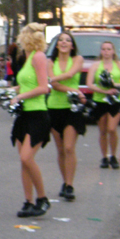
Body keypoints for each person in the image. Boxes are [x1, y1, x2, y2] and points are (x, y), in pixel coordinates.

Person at [10, 23, 51, 218]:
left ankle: (42, 198)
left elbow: (44, 87)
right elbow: (26, 85)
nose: (19, 39)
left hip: (38, 114)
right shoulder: (26, 58)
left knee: (26, 157)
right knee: (23, 162)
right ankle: (28, 201)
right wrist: (11, 92)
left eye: (22, 36)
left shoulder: (39, 57)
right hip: (24, 114)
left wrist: (20, 96)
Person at [47, 31, 85, 201]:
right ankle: (64, 181)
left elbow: (69, 75)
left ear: (72, 45)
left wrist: (53, 79)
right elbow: (53, 85)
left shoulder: (77, 59)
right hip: (54, 107)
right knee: (61, 149)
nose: (63, 42)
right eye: (60, 40)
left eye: (67, 40)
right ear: (56, 45)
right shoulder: (50, 62)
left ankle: (70, 185)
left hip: (72, 107)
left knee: (69, 147)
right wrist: (73, 89)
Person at [86, 40, 120, 169]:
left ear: (113, 51)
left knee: (111, 129)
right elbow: (89, 84)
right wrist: (104, 90)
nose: (106, 52)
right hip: (100, 100)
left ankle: (113, 156)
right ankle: (104, 156)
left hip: (115, 100)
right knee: (103, 130)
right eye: (103, 49)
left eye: (109, 49)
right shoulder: (95, 65)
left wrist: (114, 85)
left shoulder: (119, 65)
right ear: (100, 51)